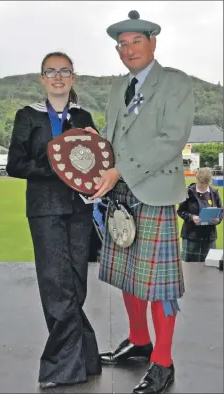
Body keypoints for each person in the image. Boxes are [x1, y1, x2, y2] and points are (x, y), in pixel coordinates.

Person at [86, 10, 195, 394]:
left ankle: (162, 362)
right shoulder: (118, 88)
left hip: (155, 192)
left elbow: (171, 138)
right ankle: (139, 339)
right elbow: (113, 136)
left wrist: (119, 170)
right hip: (120, 192)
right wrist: (93, 145)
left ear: (153, 42)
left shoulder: (176, 84)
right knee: (129, 276)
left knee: (160, 284)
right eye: (122, 44)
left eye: (135, 41)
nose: (127, 49)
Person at [6, 52, 101, 389]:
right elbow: (16, 164)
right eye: (51, 72)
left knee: (75, 283)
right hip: (45, 209)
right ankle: (63, 366)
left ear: (73, 77)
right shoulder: (28, 116)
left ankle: (85, 355)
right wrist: (56, 171)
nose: (58, 77)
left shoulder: (83, 116)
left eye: (64, 71)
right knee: (54, 283)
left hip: (79, 210)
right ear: (42, 78)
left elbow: (97, 162)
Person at [178, 167, 223, 262]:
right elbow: (181, 211)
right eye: (201, 182)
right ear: (197, 179)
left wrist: (218, 219)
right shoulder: (188, 192)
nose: (203, 185)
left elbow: (221, 210)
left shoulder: (214, 193)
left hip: (209, 237)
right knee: (189, 268)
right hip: (191, 236)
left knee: (210, 266)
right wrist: (192, 217)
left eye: (206, 183)